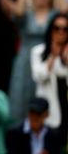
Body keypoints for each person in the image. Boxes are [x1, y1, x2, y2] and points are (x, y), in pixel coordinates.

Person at [30, 13, 68, 146]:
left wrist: (65, 59)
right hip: (50, 112)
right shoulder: (38, 51)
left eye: (65, 29)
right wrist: (53, 57)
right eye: (57, 28)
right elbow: (39, 76)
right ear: (50, 29)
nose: (61, 32)